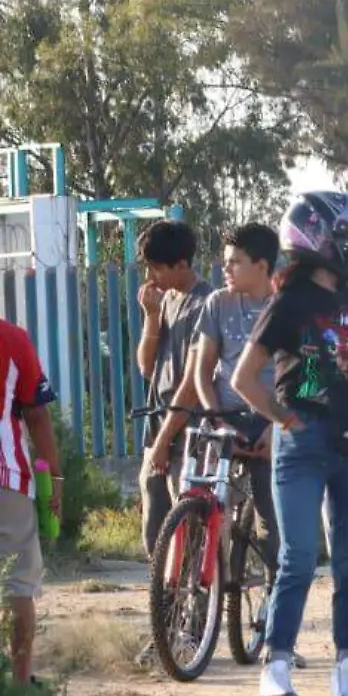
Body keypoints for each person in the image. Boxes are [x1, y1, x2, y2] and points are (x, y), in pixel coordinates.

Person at [232, 191, 348, 696]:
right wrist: (285, 419)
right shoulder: (288, 302)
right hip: (302, 446)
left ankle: (346, 672)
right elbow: (244, 379)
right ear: (322, 239)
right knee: (299, 559)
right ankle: (276, 669)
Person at [195, 224, 282, 563]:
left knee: (271, 520)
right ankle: (202, 593)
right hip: (224, 420)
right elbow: (202, 373)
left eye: (235, 262)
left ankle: (273, 601)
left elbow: (310, 375)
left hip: (270, 424)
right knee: (204, 506)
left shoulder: (287, 307)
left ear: (261, 266)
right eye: (225, 261)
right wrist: (216, 419)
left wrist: (280, 427)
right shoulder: (218, 303)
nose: (225, 269)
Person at [135, 220, 213, 560]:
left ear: (182, 264)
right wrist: (151, 317)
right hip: (158, 427)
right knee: (155, 528)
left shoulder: (206, 304)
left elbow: (195, 382)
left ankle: (195, 606)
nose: (152, 276)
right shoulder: (165, 300)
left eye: (158, 268)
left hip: (189, 432)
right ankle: (164, 606)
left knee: (188, 533)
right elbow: (146, 367)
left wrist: (167, 440)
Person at [0, 321, 59, 686]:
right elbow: (37, 415)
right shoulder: (11, 337)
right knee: (18, 584)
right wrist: (55, 479)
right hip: (6, 475)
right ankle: (20, 688)